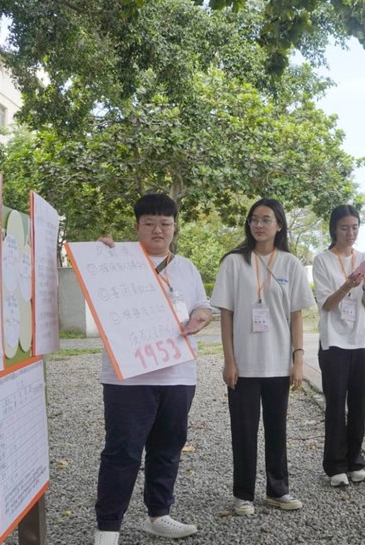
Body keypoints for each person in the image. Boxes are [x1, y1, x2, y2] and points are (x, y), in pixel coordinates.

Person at [94, 194, 213, 545]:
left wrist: (200, 318)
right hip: (127, 377)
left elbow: (202, 305)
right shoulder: (117, 261)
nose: (158, 230)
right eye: (149, 223)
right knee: (122, 450)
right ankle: (107, 528)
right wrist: (98, 257)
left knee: (168, 446)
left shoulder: (187, 267)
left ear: (175, 227)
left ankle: (159, 514)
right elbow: (96, 291)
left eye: (165, 223)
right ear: (137, 227)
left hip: (177, 374)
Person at [210, 198, 315, 516]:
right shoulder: (233, 262)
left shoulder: (290, 264)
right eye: (254, 219)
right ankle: (243, 494)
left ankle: (277, 490)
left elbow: (296, 316)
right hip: (243, 364)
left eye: (266, 219)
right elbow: (225, 315)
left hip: (277, 363)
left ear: (279, 225)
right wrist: (229, 360)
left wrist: (298, 359)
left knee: (276, 429)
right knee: (243, 430)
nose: (258, 224)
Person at [312, 205, 365, 487]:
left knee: (359, 404)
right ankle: (335, 466)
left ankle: (356, 461)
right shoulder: (322, 261)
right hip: (335, 342)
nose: (350, 233)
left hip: (362, 341)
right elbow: (326, 305)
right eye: (344, 227)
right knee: (336, 404)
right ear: (333, 229)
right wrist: (347, 285)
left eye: (354, 227)